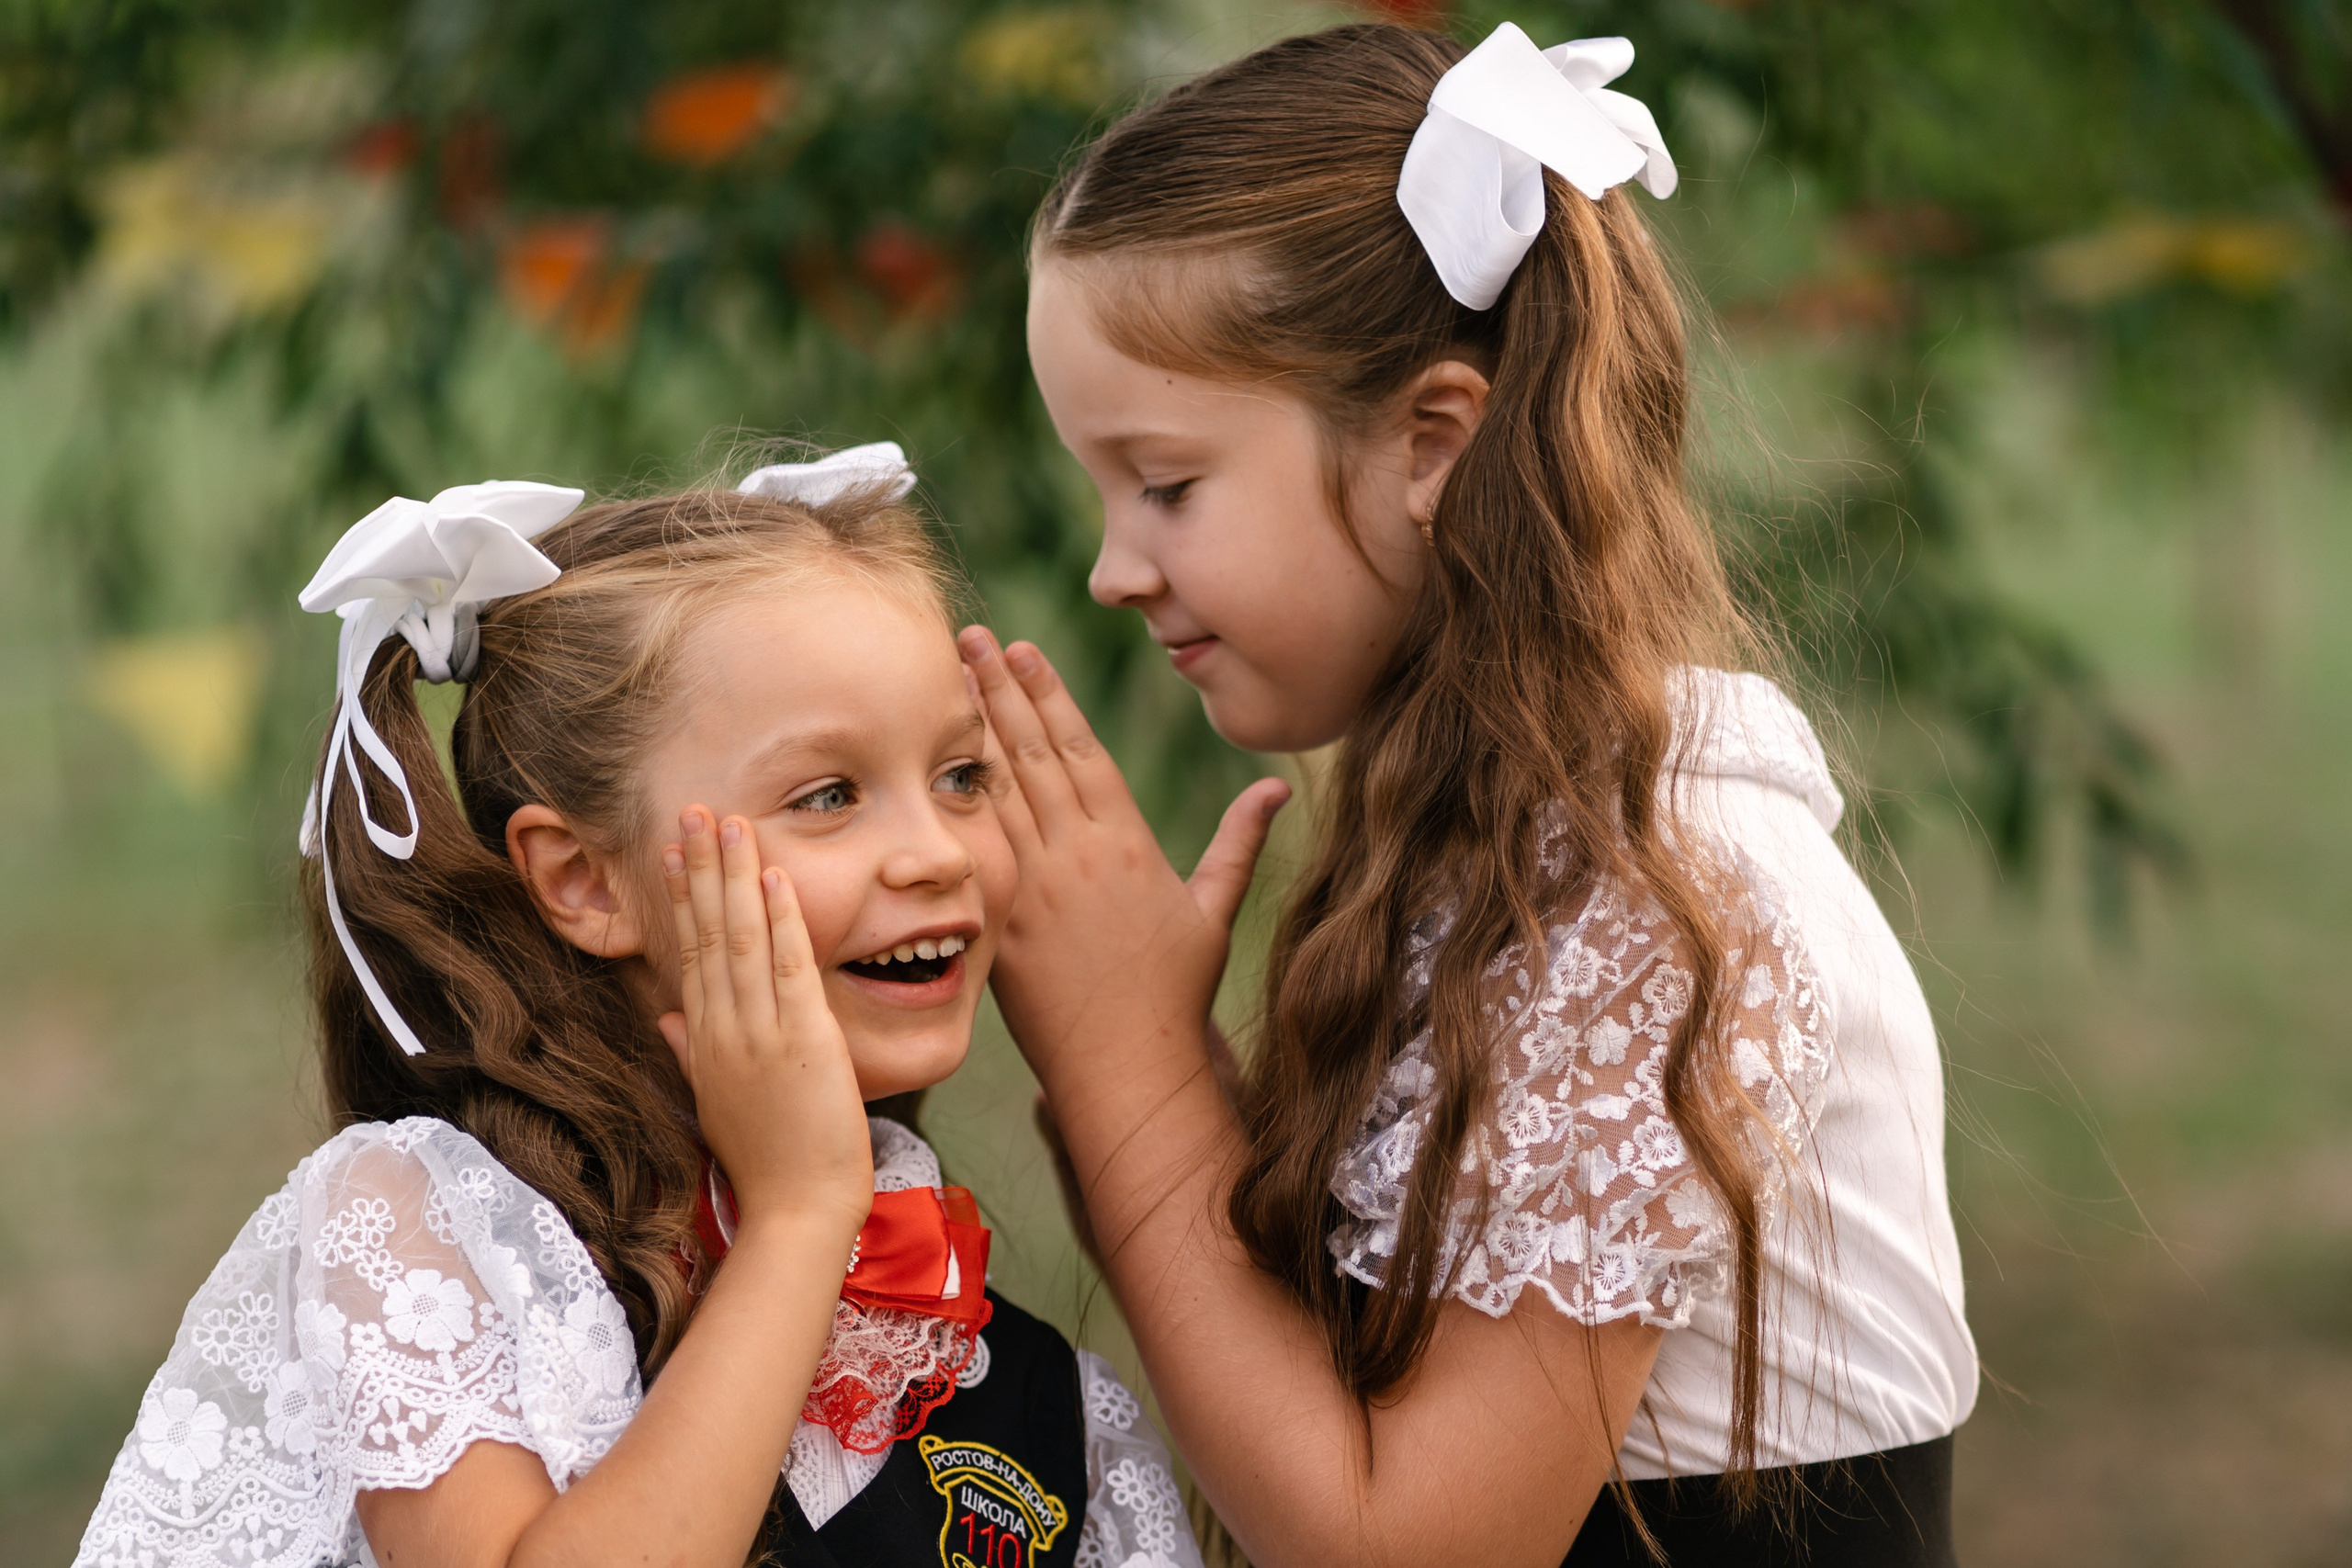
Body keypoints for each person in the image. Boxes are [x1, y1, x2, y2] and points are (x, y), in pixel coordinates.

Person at [957, 22, 1976, 1567]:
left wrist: (1130, 1070)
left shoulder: (1656, 899)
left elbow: (1408, 1544)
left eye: (1165, 482)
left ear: (1431, 439)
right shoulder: (1499, 854)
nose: (1113, 566)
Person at [73, 450, 1199, 1568]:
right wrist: (800, 1216)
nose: (937, 852)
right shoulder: (431, 1240)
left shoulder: (1046, 1407)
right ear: (584, 881)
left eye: (962, 776)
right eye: (828, 795)